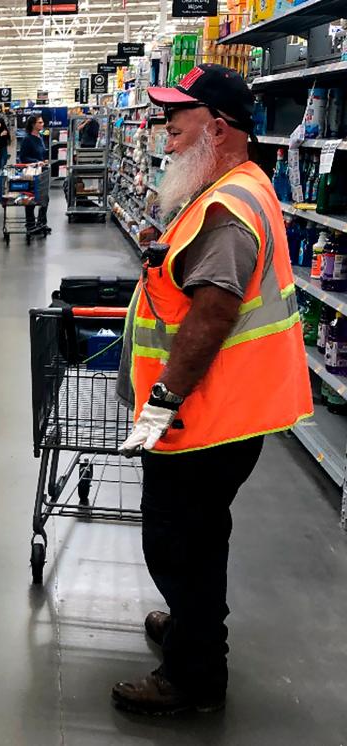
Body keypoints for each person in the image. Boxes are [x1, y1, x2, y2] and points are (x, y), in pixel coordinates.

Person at [112, 64, 313, 716]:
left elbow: (213, 315)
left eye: (177, 123)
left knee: (176, 543)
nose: (164, 135)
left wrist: (160, 408)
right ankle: (191, 628)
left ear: (218, 128)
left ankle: (193, 677)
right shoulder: (235, 186)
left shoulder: (227, 208)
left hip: (202, 416)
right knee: (199, 536)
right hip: (224, 413)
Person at [18, 114, 47, 226]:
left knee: (44, 198)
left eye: (42, 122)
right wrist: (36, 162)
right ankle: (30, 223)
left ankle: (42, 222)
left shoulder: (41, 137)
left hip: (42, 172)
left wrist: (43, 161)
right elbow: (23, 157)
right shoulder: (27, 139)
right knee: (31, 198)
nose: (42, 124)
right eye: (39, 122)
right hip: (31, 173)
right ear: (33, 125)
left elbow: (42, 153)